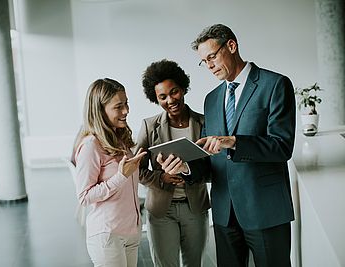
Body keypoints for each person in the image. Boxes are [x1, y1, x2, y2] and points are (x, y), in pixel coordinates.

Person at [158, 24, 296, 267]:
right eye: (204, 61)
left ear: (231, 46)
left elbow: (282, 147)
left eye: (212, 56)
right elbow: (212, 159)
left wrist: (234, 142)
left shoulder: (275, 85)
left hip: (265, 210)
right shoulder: (212, 99)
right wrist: (184, 168)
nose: (209, 66)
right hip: (225, 213)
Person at [134, 59, 210, 267]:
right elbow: (136, 170)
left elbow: (215, 168)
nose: (170, 100)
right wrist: (161, 177)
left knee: (194, 264)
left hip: (195, 208)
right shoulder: (149, 127)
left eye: (174, 91)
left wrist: (189, 170)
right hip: (161, 212)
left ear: (183, 88)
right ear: (155, 99)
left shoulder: (205, 123)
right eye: (162, 97)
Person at [71, 78, 147, 267]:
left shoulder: (120, 140)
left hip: (130, 231)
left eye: (126, 103)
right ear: (100, 110)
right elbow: (84, 196)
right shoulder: (91, 145)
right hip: (108, 235)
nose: (126, 111)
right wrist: (120, 177)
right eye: (119, 106)